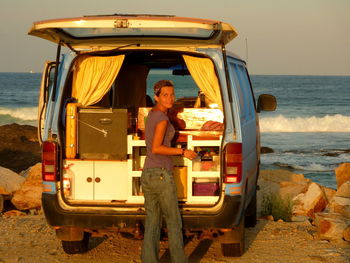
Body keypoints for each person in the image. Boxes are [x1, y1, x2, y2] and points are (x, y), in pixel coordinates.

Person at [141, 80, 197, 263]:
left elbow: (151, 144)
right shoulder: (163, 119)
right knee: (173, 222)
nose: (170, 98)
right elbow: (157, 148)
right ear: (156, 96)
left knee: (152, 221)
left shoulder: (152, 114)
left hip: (148, 172)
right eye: (165, 94)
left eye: (172, 94)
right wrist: (183, 151)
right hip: (161, 174)